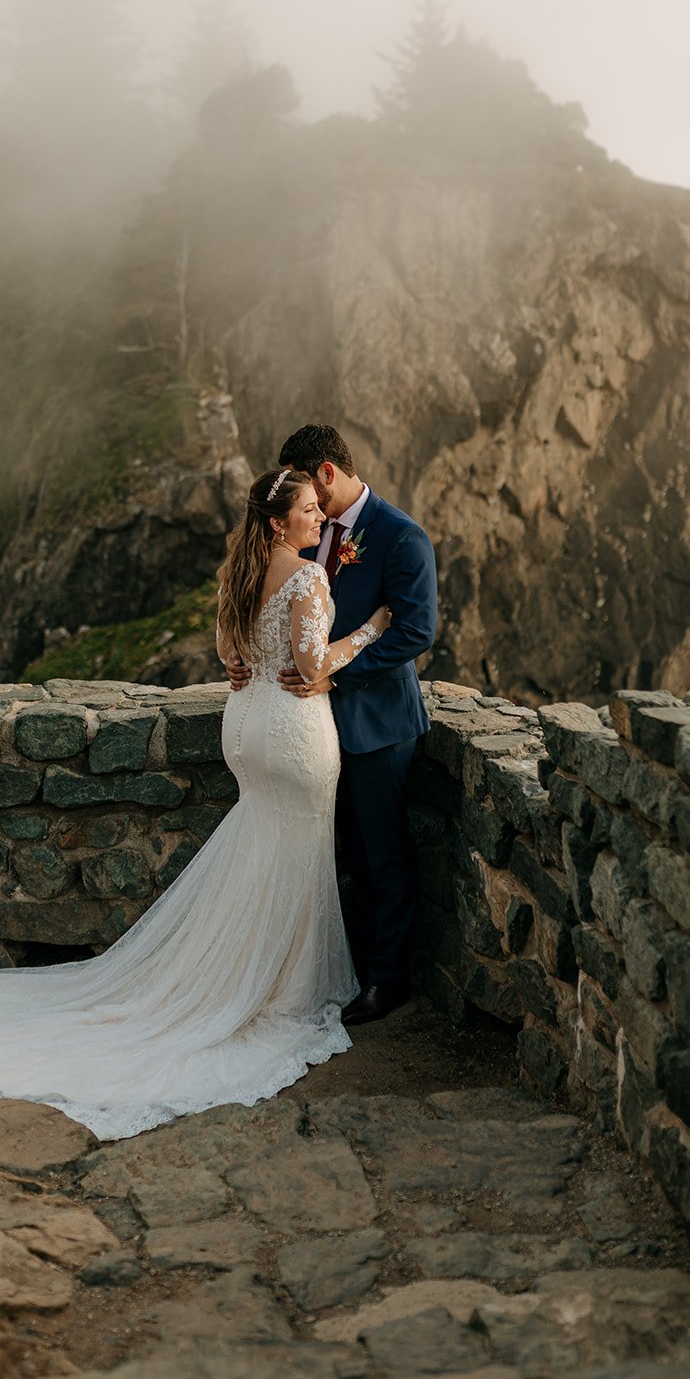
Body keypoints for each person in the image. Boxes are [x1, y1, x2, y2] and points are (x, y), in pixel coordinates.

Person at [0, 468, 389, 1142]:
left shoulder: (238, 572)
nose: (320, 520)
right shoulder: (306, 578)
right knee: (293, 851)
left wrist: (244, 664)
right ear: (277, 521)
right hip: (292, 733)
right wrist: (372, 628)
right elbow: (314, 665)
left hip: (245, 726)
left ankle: (249, 980)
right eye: (311, 511)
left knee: (262, 847)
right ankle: (278, 992)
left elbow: (229, 651)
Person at [225, 425, 437, 1025]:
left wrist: (335, 675)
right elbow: (279, 609)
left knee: (382, 853)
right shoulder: (304, 533)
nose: (311, 512)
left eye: (308, 491)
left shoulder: (401, 536)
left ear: (322, 472)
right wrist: (244, 655)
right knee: (336, 854)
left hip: (376, 723)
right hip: (305, 728)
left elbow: (415, 630)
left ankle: (385, 981)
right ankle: (333, 972)